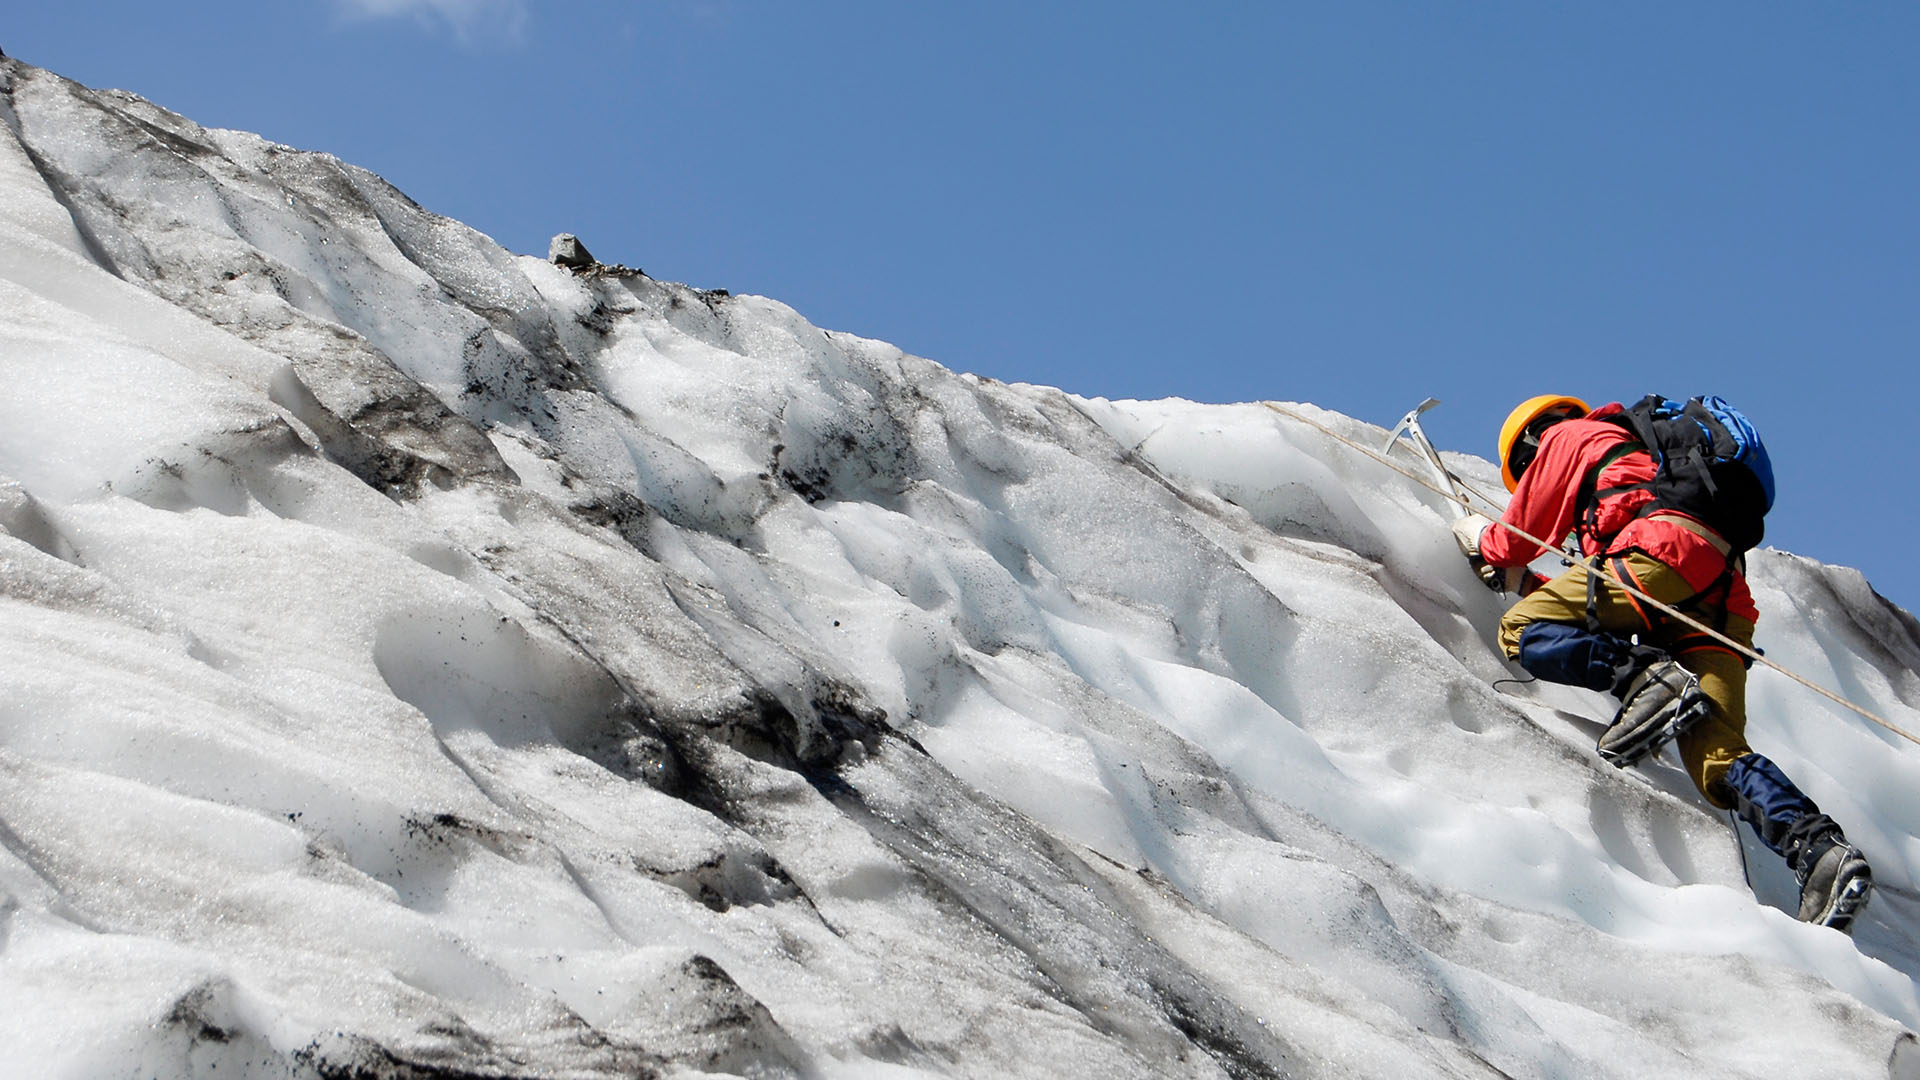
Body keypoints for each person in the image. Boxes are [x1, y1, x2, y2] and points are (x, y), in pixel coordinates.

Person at [1452, 394, 1873, 932]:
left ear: (1531, 441)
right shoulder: (1648, 464)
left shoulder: (1570, 437)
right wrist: (1529, 583)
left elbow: (1514, 541)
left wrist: (1483, 544)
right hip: (1719, 597)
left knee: (1521, 630)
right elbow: (1602, 604)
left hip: (1661, 557)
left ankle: (1649, 684)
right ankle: (1820, 852)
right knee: (1716, 754)